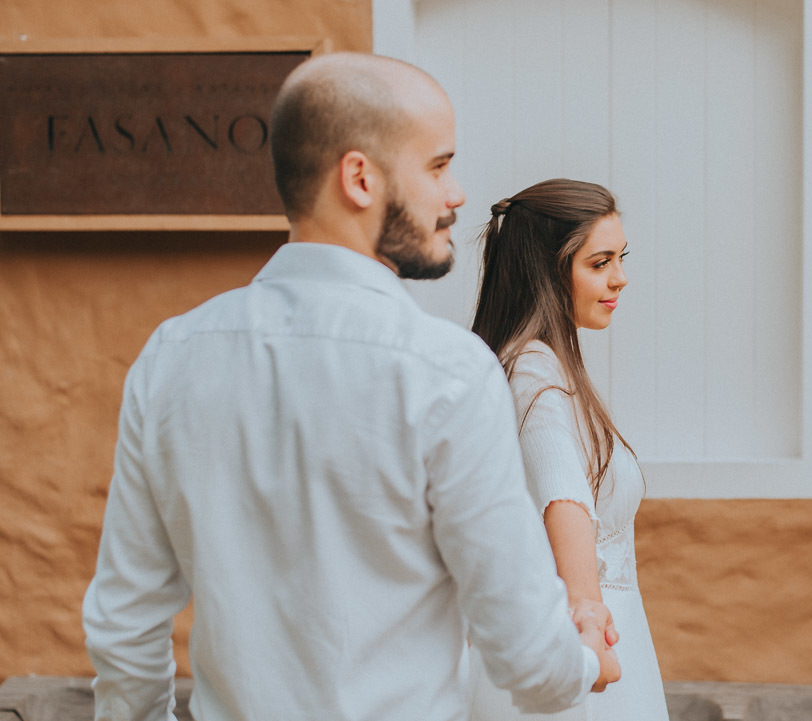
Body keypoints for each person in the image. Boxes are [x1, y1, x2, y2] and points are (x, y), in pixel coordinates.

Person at [81, 53, 620, 721]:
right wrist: (588, 659)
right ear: (359, 178)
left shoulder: (170, 358)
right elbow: (528, 658)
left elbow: (126, 625)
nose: (455, 194)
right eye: (437, 165)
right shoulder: (447, 373)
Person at [468, 179, 670, 721]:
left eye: (620, 258)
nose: (620, 278)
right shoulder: (533, 369)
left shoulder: (538, 365)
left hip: (593, 640)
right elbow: (562, 493)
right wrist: (585, 606)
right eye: (599, 262)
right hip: (582, 651)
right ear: (548, 270)